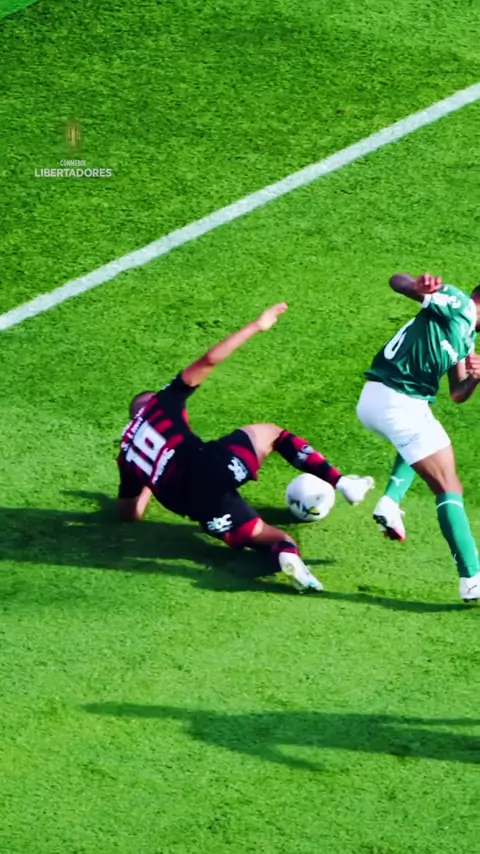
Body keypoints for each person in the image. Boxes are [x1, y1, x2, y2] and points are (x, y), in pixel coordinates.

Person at [117, 303, 374, 593]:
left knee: (271, 537)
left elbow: (129, 513)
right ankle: (343, 482)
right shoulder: (162, 402)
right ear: (150, 401)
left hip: (197, 505)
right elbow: (209, 360)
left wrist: (149, 481)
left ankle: (288, 557)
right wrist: (257, 325)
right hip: (210, 467)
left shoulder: (126, 455)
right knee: (274, 434)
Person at [356, 272, 480, 601]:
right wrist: (415, 287)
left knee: (429, 438)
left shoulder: (466, 337)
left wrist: (476, 378)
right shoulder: (458, 303)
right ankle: (472, 578)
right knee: (448, 485)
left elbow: (457, 393)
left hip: (393, 402)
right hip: (395, 400)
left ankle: (390, 501)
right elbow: (396, 281)